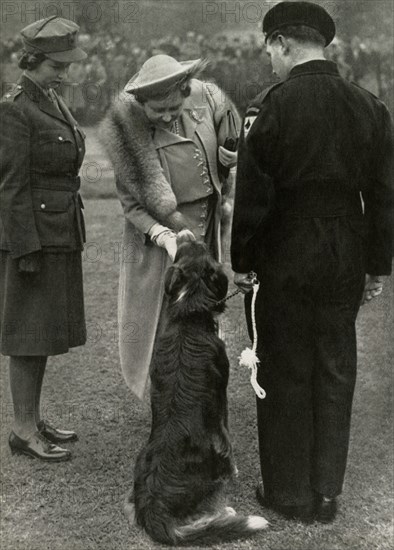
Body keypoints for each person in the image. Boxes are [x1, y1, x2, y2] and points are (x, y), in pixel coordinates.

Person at [231, 2, 393, 524]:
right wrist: (377, 266)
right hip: (346, 246)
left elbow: (254, 194)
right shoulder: (370, 106)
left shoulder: (270, 106)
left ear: (282, 42)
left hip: (287, 249)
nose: (270, 63)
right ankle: (326, 491)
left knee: (285, 364)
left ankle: (288, 491)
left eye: (270, 52)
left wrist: (243, 261)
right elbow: (386, 196)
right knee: (335, 364)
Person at [101, 54, 239, 399]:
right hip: (158, 242)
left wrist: (230, 158)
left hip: (204, 233)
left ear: (185, 91)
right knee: (162, 324)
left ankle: (200, 388)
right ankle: (167, 400)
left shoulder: (205, 101)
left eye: (173, 107)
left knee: (203, 312)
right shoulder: (127, 132)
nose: (166, 116)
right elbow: (132, 205)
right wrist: (165, 236)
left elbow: (232, 134)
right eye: (157, 110)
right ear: (140, 103)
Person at [0, 16, 88, 462]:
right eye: (57, 65)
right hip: (33, 237)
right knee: (27, 334)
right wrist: (25, 248)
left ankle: (32, 419)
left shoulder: (48, 97)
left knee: (42, 331)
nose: (64, 73)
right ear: (33, 61)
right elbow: (11, 186)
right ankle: (21, 429)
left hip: (57, 230)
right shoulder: (15, 107)